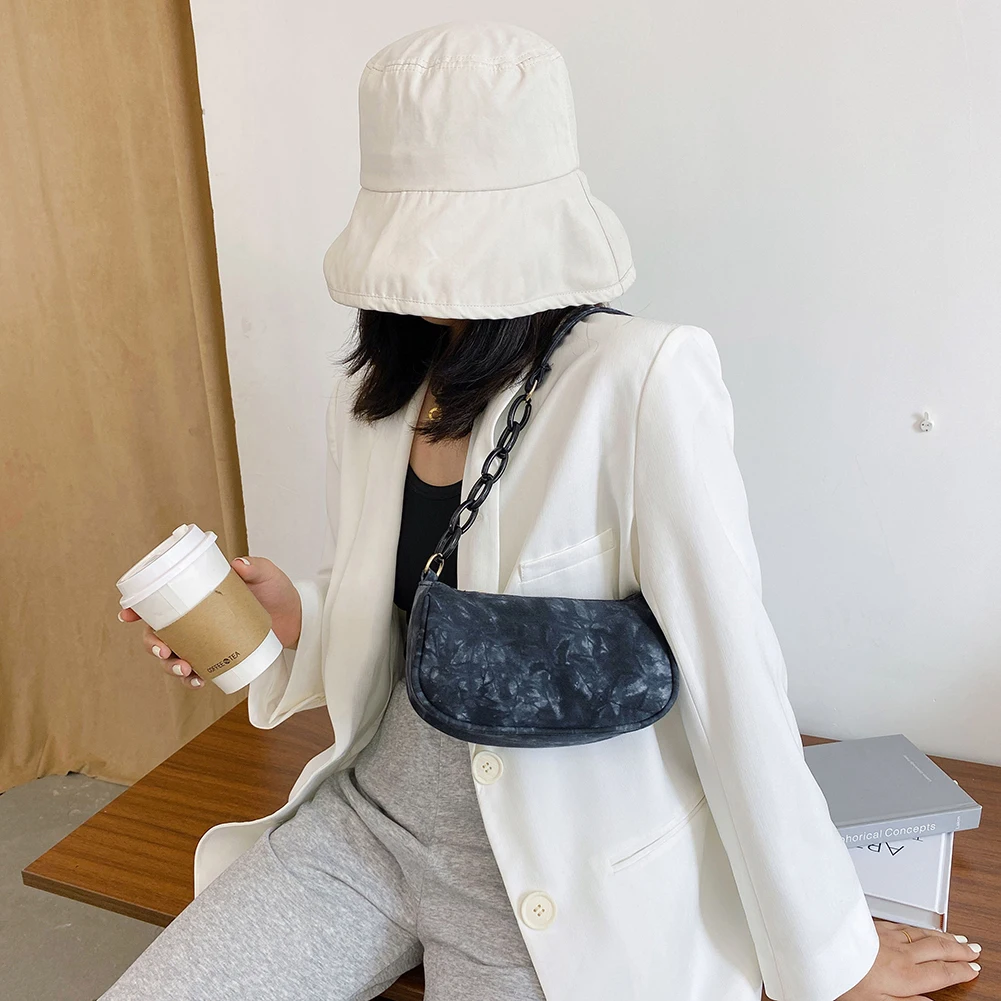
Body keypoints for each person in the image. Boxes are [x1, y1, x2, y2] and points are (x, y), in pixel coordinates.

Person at [105, 19, 983, 1001]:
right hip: (364, 825)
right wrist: (293, 618)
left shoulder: (638, 378)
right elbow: (411, 617)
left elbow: (731, 670)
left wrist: (830, 953)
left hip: (552, 882)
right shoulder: (374, 396)